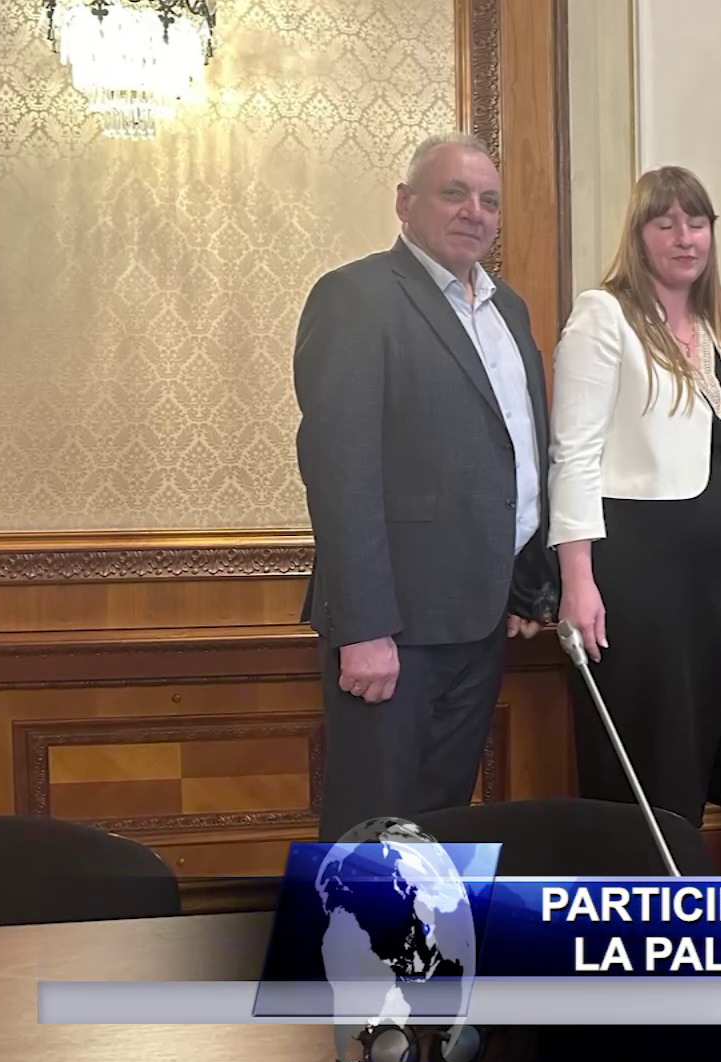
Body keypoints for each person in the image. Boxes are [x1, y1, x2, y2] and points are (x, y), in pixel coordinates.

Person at [295, 132, 555, 843]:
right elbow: (340, 471)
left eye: (490, 200)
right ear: (405, 203)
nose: (475, 211)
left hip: (480, 620)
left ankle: (431, 926)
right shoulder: (356, 297)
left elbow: (518, 453)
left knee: (441, 825)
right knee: (370, 830)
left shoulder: (508, 310)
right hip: (394, 630)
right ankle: (353, 930)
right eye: (454, 193)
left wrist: (527, 582)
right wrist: (364, 628)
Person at [549, 166, 721, 828]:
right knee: (643, 747)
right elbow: (573, 453)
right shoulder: (604, 315)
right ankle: (634, 882)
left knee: (692, 739)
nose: (684, 237)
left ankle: (680, 869)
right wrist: (577, 581)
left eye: (697, 223)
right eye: (665, 223)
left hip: (708, 576)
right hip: (635, 569)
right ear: (638, 235)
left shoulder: (715, 326)